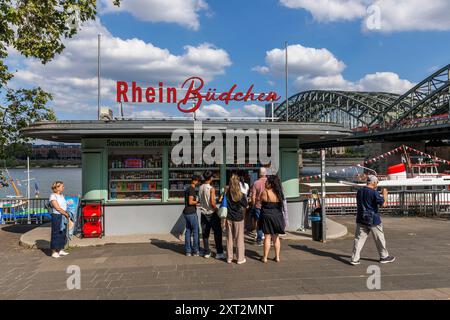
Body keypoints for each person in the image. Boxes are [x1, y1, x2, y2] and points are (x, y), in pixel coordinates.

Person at [350, 175, 396, 265]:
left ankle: (354, 258)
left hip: (361, 217)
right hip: (373, 219)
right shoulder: (374, 192)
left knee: (359, 239)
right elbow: (384, 204)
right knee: (379, 238)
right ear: (373, 182)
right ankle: (384, 256)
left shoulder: (359, 191)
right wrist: (385, 195)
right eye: (377, 182)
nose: (377, 184)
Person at [199, 171, 225, 259]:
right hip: (211, 213)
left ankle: (207, 252)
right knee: (217, 233)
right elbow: (213, 203)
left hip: (203, 213)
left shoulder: (200, 187)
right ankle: (219, 252)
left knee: (205, 233)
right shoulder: (211, 189)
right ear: (210, 178)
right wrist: (218, 210)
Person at [260, 175, 285, 263]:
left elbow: (260, 202)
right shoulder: (279, 193)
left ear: (270, 184)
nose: (265, 183)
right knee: (276, 237)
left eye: (267, 182)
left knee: (267, 236)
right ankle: (277, 257)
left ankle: (265, 258)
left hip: (267, 215)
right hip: (277, 216)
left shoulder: (265, 192)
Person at [225, 174, 248, 264]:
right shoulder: (240, 194)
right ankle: (240, 258)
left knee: (229, 238)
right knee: (239, 239)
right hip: (238, 218)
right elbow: (245, 204)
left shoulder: (227, 193)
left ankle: (229, 258)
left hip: (229, 217)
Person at [49, 181, 71, 259]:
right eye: (62, 186)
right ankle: (54, 251)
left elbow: (64, 204)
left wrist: (68, 203)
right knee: (56, 233)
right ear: (57, 187)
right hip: (57, 216)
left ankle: (60, 249)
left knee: (63, 232)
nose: (63, 187)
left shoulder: (62, 196)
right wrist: (65, 214)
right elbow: (57, 208)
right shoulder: (53, 196)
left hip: (63, 216)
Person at [183, 175, 201, 257]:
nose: (198, 182)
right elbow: (190, 202)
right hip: (191, 213)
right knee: (195, 231)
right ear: (194, 181)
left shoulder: (187, 188)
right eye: (197, 181)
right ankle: (196, 250)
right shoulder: (192, 189)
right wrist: (198, 202)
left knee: (188, 231)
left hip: (186, 212)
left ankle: (188, 251)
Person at [250, 167, 267, 246]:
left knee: (259, 223)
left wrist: (253, 205)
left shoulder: (256, 183)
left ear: (259, 174)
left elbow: (253, 196)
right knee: (267, 223)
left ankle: (259, 240)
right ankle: (268, 239)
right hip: (268, 205)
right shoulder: (269, 182)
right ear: (265, 173)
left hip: (258, 205)